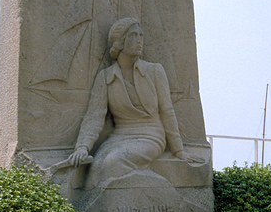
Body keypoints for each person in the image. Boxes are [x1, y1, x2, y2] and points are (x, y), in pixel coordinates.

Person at [69, 18, 203, 187]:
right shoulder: (105, 77)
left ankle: (151, 190)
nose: (139, 40)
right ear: (119, 43)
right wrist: (82, 147)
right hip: (119, 136)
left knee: (114, 161)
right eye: (133, 35)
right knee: (96, 167)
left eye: (141, 35)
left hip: (151, 134)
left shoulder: (155, 71)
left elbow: (167, 111)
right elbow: (94, 117)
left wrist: (178, 150)